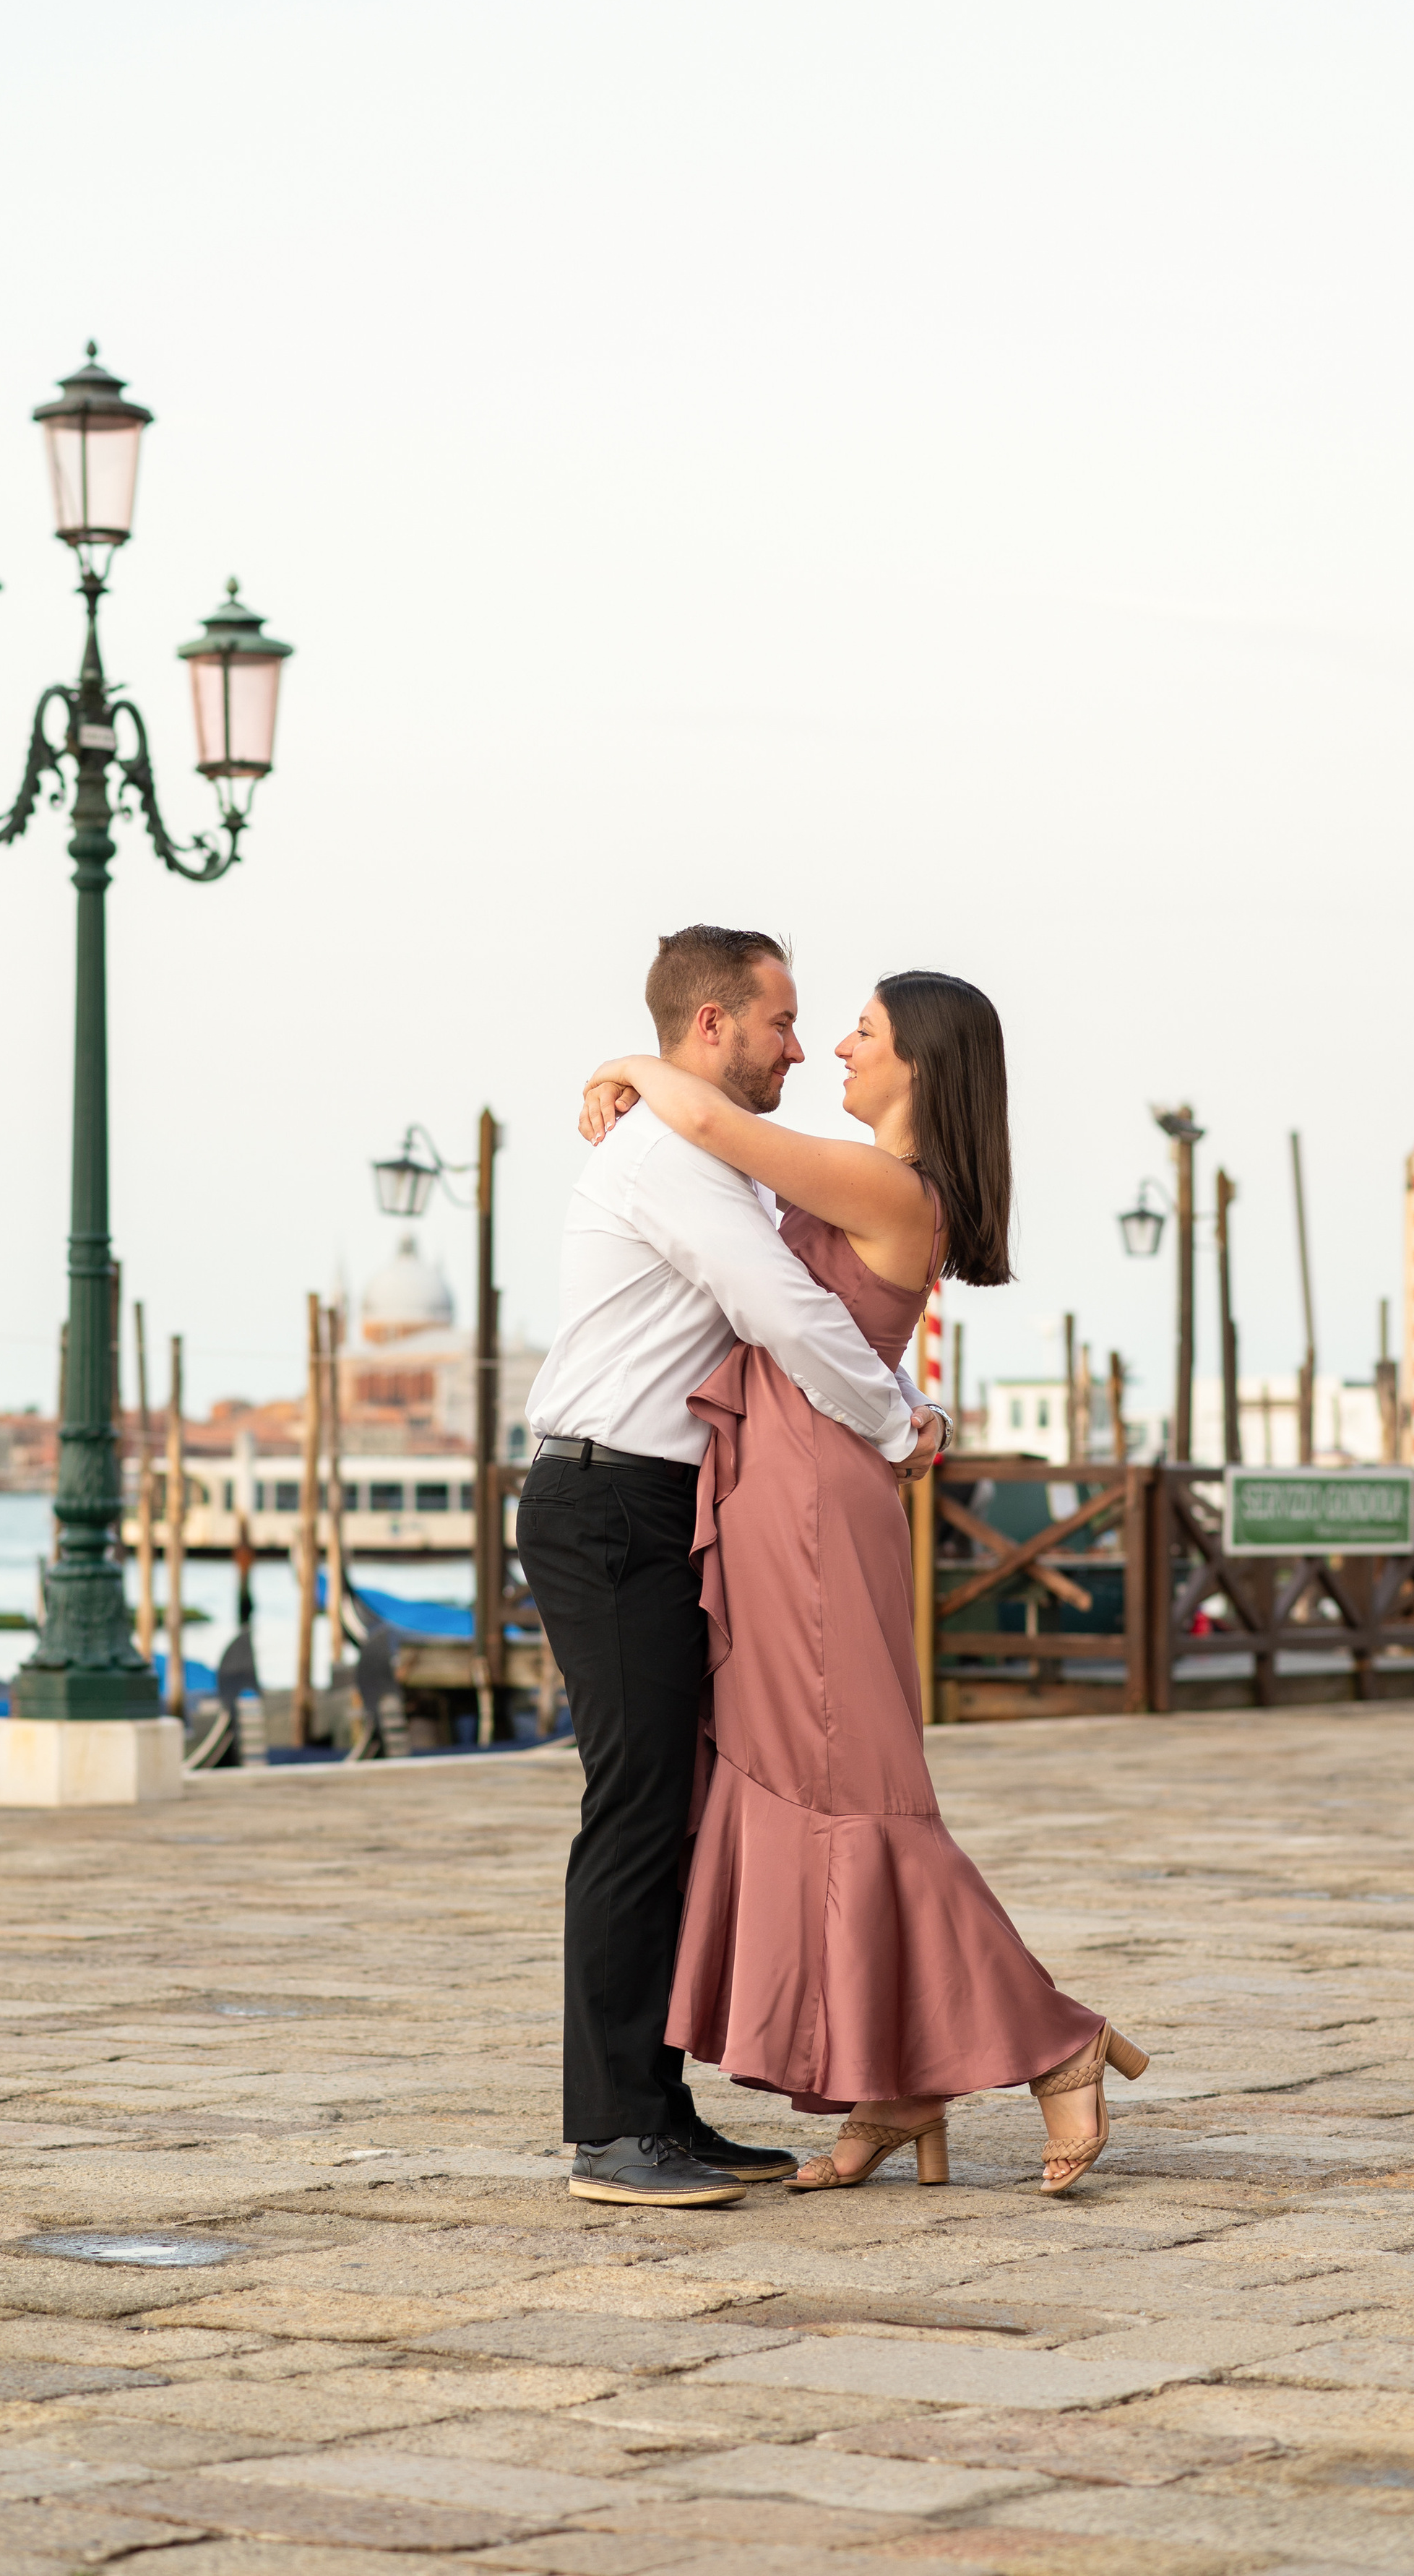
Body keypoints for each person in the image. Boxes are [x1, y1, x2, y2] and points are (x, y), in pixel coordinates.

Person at [579, 969, 1149, 2195]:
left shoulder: (888, 1182)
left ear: (923, 1067)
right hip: (782, 1491)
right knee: (807, 1785)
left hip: (811, 1509)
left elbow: (721, 1130)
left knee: (858, 1792)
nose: (837, 1042)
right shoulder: (870, 1174)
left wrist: (631, 1065)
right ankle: (895, 2091)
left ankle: (1057, 2043)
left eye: (866, 1031)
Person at [518, 927, 949, 2208]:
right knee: (639, 1808)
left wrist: (902, 1398)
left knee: (679, 1809)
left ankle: (658, 2110)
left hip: (662, 1503)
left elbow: (812, 1310)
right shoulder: (670, 1155)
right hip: (608, 1501)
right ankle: (611, 2134)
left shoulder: (693, 1142)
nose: (801, 1048)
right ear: (712, 1027)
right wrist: (894, 1425)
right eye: (779, 1024)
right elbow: (776, 1306)